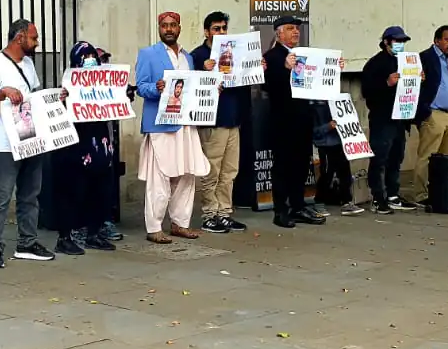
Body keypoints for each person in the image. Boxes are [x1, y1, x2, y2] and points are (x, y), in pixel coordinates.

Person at [0, 20, 53, 267]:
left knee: (30, 194)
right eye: (33, 38)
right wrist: (2, 94)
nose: (37, 43)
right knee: (1, 197)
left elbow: (34, 98)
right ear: (19, 38)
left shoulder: (29, 64)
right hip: (4, 143)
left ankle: (27, 242)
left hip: (30, 137)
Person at [136, 12, 210, 242]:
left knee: (187, 176)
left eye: (172, 25)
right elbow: (140, 87)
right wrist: (156, 88)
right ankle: (154, 227)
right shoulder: (148, 54)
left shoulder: (187, 57)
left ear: (179, 28)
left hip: (186, 124)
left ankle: (180, 223)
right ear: (159, 28)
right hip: (161, 124)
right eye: (164, 25)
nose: (168, 29)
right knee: (160, 177)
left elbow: (194, 89)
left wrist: (210, 92)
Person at [51, 42, 119, 254]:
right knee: (73, 192)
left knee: (100, 191)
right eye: (85, 56)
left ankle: (94, 233)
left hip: (99, 145)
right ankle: (65, 237)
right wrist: (62, 100)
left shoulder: (104, 84)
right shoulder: (68, 84)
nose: (89, 60)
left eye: (92, 56)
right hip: (76, 147)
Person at [188, 12, 250, 233]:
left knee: (229, 171)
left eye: (224, 28)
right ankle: (209, 214)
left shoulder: (234, 53)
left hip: (233, 119)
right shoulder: (197, 56)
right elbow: (189, 86)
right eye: (216, 28)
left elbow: (245, 77)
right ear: (206, 31)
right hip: (213, 121)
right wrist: (203, 73)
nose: (221, 32)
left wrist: (256, 66)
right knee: (211, 170)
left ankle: (224, 213)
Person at [262, 15, 323, 228]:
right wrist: (284, 69)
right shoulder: (272, 56)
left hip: (302, 118)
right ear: (279, 33)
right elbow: (268, 86)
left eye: (297, 28)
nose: (296, 32)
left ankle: (298, 206)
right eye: (290, 28)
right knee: (282, 167)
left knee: (301, 165)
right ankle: (281, 210)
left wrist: (333, 69)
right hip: (283, 120)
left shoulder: (303, 55)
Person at [359, 26, 420, 214]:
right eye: (396, 41)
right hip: (382, 118)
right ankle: (378, 197)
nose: (400, 45)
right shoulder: (375, 64)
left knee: (396, 157)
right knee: (379, 158)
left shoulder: (405, 62)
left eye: (403, 42)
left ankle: (393, 195)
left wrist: (419, 79)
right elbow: (366, 91)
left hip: (400, 117)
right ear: (386, 42)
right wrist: (386, 83)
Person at [412, 25, 448, 204]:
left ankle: (443, 191)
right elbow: (415, 81)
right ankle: (421, 194)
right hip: (434, 112)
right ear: (437, 40)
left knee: (447, 156)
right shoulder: (425, 57)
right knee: (428, 155)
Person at [311, 101, 362, 215]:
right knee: (327, 174)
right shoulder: (314, 107)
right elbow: (313, 131)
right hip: (325, 145)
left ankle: (346, 202)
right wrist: (328, 127)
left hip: (339, 142)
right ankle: (319, 202)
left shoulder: (336, 102)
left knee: (345, 173)